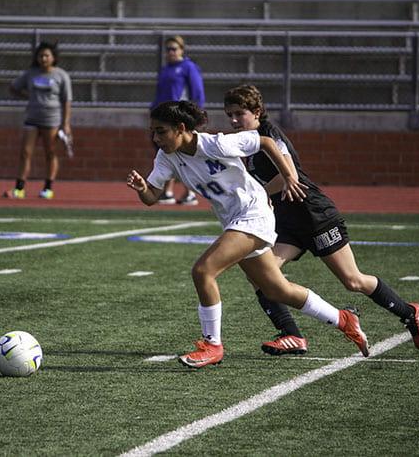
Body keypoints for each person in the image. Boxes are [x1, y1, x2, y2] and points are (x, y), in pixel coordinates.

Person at [126, 100, 370, 368]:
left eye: (160, 131)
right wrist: (141, 189)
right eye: (153, 132)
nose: (155, 138)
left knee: (203, 271)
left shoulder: (215, 144)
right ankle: (344, 319)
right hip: (235, 219)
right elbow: (152, 197)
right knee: (277, 289)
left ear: (181, 128)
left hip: (253, 214)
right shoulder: (166, 157)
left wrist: (289, 176)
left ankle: (212, 344)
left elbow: (265, 142)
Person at [223, 84, 419, 355]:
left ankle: (409, 312)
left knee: (353, 281)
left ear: (257, 111)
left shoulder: (270, 135)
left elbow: (291, 176)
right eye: (230, 115)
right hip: (288, 224)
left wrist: (258, 192)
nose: (234, 120)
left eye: (240, 113)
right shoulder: (245, 142)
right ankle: (292, 335)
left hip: (315, 216)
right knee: (261, 275)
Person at [6, 41, 72, 200]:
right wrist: (28, 97)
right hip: (32, 118)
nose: (43, 58)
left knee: (50, 153)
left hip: (52, 120)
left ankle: (48, 188)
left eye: (47, 55)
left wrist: (66, 123)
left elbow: (67, 100)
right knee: (25, 152)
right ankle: (19, 188)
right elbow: (13, 87)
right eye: (41, 55)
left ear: (53, 57)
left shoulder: (61, 75)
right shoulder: (31, 74)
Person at [151, 35, 204, 206]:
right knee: (169, 152)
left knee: (185, 153)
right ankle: (168, 191)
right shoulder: (166, 69)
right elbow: (159, 94)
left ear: (182, 50)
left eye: (174, 49)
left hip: (179, 117)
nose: (171, 52)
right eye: (168, 49)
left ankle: (190, 193)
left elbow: (196, 92)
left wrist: (193, 116)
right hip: (165, 117)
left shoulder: (188, 67)